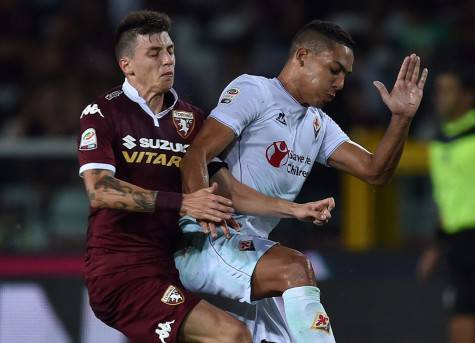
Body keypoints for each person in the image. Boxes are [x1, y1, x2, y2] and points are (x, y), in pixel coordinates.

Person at [78, 10, 334, 343]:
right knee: (231, 336)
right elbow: (99, 189)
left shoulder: (191, 119)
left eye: (170, 50)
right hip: (120, 269)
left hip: (172, 265)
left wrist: (294, 210)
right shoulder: (103, 112)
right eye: (154, 54)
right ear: (127, 65)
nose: (167, 60)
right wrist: (183, 203)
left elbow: (225, 187)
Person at [177, 20, 428, 343]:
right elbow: (196, 154)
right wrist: (203, 216)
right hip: (208, 242)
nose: (339, 84)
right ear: (302, 57)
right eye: (334, 70)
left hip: (252, 252)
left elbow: (375, 171)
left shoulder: (318, 125)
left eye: (346, 76)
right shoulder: (256, 91)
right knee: (297, 268)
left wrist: (401, 119)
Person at [416, 65, 475, 343]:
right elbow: (446, 200)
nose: (440, 98)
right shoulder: (438, 144)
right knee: (461, 315)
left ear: (467, 96)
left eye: (447, 91)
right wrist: (436, 247)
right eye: (438, 92)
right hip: (459, 244)